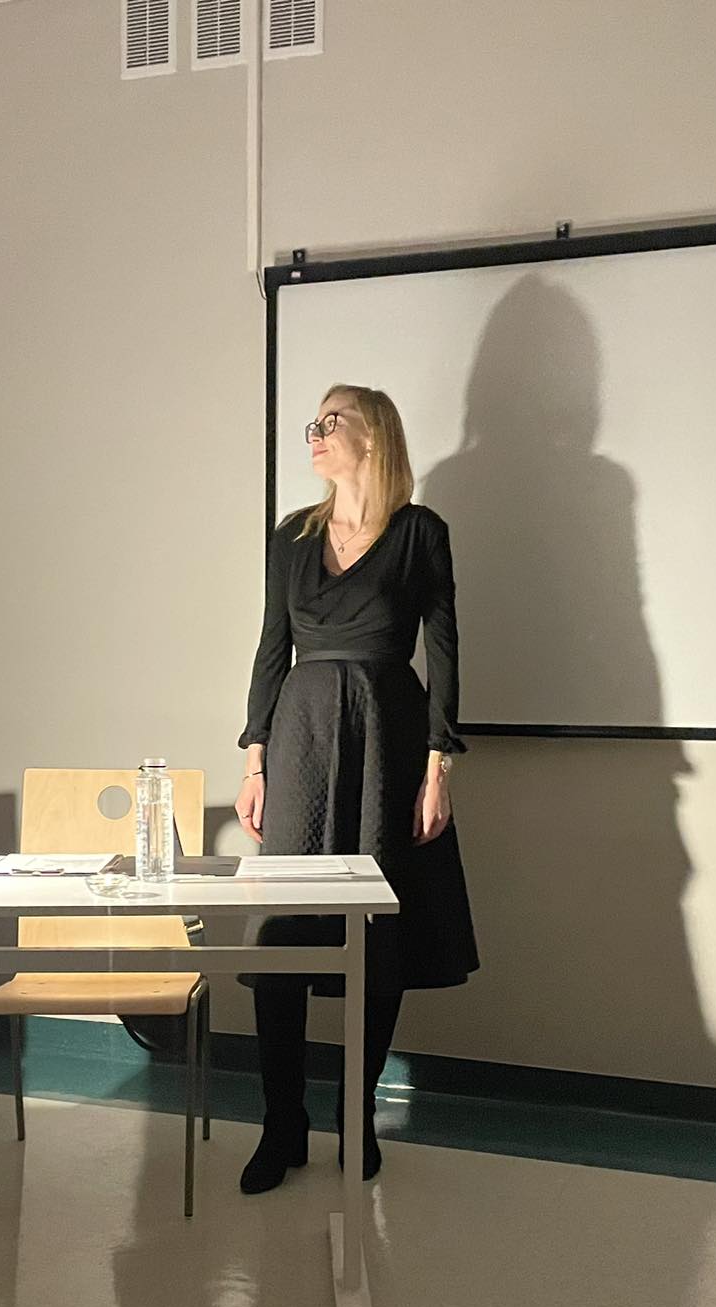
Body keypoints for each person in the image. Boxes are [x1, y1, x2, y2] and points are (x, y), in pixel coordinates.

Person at [234, 384, 480, 1193]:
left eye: (330, 422)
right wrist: (255, 761)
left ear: (373, 436)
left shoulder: (420, 533)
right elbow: (271, 647)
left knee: (376, 934)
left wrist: (438, 768)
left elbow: (443, 653)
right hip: (301, 738)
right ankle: (281, 1124)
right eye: (313, 422)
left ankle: (355, 1117)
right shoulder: (292, 536)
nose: (314, 434)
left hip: (389, 739)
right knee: (283, 937)